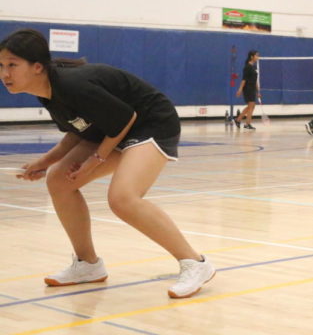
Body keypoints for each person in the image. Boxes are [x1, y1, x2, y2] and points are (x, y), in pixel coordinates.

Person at [0, 29, 215, 298]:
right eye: (1, 66)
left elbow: (126, 118)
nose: (5, 74)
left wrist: (94, 160)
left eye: (12, 65)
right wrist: (43, 162)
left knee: (122, 198)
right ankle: (87, 265)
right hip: (112, 129)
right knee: (58, 179)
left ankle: (195, 262)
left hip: (151, 122)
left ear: (37, 67)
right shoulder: (48, 93)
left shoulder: (72, 85)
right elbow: (78, 130)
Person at [234, 50, 260, 130]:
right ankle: (245, 122)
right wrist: (240, 89)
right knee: (251, 105)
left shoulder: (254, 67)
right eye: (256, 55)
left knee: (252, 106)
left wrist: (257, 90)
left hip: (252, 88)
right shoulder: (247, 67)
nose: (258, 57)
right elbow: (244, 80)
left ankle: (240, 120)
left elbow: (255, 79)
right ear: (252, 57)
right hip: (247, 89)